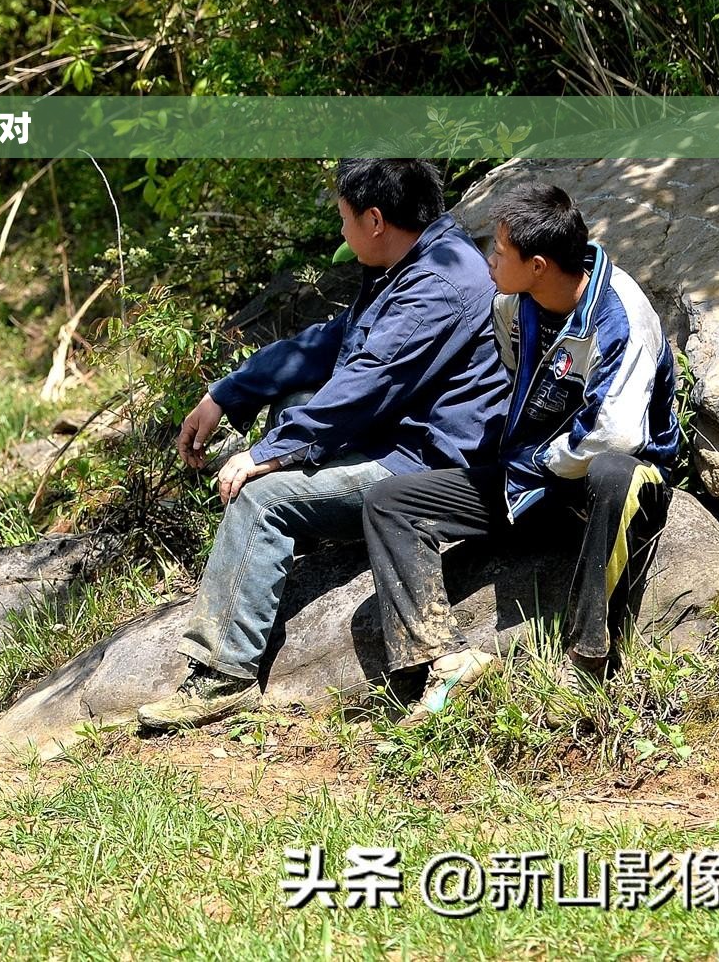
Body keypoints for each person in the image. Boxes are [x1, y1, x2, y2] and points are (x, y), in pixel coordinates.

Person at [136, 159, 512, 732]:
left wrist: (265, 454)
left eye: (343, 218)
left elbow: (364, 386)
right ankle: (290, 553)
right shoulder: (417, 261)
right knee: (290, 400)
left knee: (260, 498)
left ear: (375, 220)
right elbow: (328, 344)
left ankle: (224, 675)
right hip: (395, 441)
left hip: (424, 467)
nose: (341, 230)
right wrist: (225, 394)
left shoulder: (437, 284)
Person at [359, 181, 683, 712]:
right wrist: (527, 465)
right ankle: (445, 659)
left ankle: (588, 661)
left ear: (537, 265)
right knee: (390, 502)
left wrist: (545, 461)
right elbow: (517, 381)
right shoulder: (514, 306)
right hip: (533, 479)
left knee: (612, 470)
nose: (489, 259)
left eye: (500, 251)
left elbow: (619, 435)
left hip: (614, 483)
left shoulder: (620, 314)